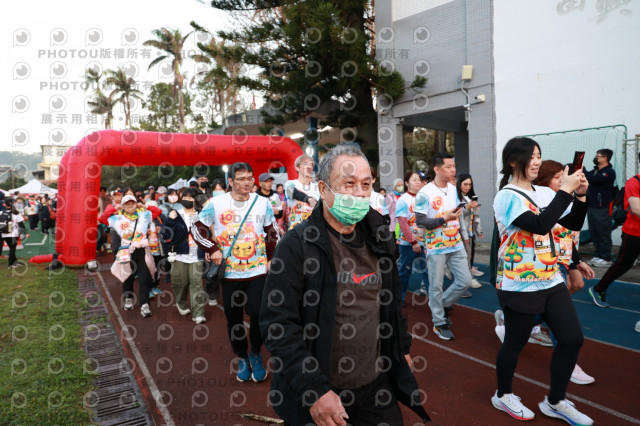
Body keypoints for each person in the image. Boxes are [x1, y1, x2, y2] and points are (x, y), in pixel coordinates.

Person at [260, 144, 430, 425]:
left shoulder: (380, 236)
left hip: (376, 386)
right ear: (323, 189)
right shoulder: (296, 245)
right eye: (349, 184)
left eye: (366, 184)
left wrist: (401, 347)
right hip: (324, 392)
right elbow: (278, 325)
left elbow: (390, 301)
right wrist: (314, 390)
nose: (359, 193)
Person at [491, 137, 593, 424]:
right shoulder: (507, 196)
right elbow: (539, 225)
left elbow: (571, 224)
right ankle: (503, 394)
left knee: (572, 339)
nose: (537, 161)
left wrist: (580, 195)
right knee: (515, 343)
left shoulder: (545, 193)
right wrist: (566, 191)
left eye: (539, 155)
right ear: (513, 161)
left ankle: (556, 401)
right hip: (519, 283)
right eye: (531, 156)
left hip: (550, 278)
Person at [192, 162, 279, 382]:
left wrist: (270, 258)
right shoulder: (217, 203)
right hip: (230, 273)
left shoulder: (262, 202)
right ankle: (241, 356)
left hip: (258, 270)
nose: (247, 183)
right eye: (241, 179)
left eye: (250, 178)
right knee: (234, 318)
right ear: (230, 182)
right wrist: (212, 248)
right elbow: (196, 227)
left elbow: (272, 231)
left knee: (258, 314)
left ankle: (255, 353)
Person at [414, 154, 470, 340]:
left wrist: (461, 230)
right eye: (448, 167)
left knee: (465, 281)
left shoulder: (454, 189)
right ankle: (439, 322)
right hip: (436, 246)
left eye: (454, 166)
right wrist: (444, 219)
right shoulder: (425, 193)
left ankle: (440, 304)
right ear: (436, 169)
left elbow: (457, 214)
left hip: (455, 244)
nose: (453, 170)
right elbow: (421, 221)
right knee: (436, 286)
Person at [589, 162, 640, 309]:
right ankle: (599, 289)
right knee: (623, 264)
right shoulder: (634, 182)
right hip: (634, 233)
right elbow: (636, 209)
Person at [108, 194, 159, 317]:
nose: (130, 207)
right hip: (126, 251)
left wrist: (145, 205)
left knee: (144, 278)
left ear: (136, 204)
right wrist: (115, 208)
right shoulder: (118, 218)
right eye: (127, 205)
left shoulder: (143, 215)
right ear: (123, 206)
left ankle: (145, 304)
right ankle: (128, 298)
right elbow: (102, 218)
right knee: (127, 276)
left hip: (142, 251)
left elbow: (157, 212)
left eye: (133, 204)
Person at [161, 189, 207, 323]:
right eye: (185, 198)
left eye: (191, 198)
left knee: (197, 284)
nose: (187, 200)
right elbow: (165, 234)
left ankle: (198, 313)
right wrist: (170, 220)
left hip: (197, 255)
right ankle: (181, 303)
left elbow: (207, 234)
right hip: (179, 255)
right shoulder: (176, 214)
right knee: (180, 283)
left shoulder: (202, 215)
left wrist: (208, 250)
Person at [395, 170, 430, 306]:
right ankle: (399, 298)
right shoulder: (403, 200)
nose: (417, 182)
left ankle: (435, 301)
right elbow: (403, 223)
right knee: (405, 271)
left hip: (424, 242)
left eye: (419, 180)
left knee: (428, 272)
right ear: (406, 183)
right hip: (407, 244)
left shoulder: (424, 198)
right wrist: (413, 241)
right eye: (414, 179)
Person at [584, 148, 616, 267]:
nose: (596, 158)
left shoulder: (608, 172)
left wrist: (583, 169)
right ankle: (598, 256)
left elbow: (592, 179)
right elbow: (588, 177)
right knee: (594, 232)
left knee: (603, 233)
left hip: (602, 207)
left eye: (598, 156)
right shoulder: (595, 171)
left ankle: (606, 258)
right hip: (592, 206)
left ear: (605, 158)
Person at [456, 174, 484, 288]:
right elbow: (457, 214)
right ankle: (467, 279)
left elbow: (476, 216)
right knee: (465, 256)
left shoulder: (470, 197)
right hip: (461, 232)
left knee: (468, 256)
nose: (468, 187)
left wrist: (479, 230)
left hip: (470, 232)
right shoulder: (457, 198)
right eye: (465, 184)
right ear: (459, 184)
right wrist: (466, 208)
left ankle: (466, 278)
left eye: (469, 184)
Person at [285, 154, 319, 229]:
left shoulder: (317, 187)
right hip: (295, 230)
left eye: (311, 164)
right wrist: (309, 199)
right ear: (297, 167)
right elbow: (293, 193)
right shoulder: (290, 184)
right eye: (305, 163)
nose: (309, 167)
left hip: (313, 229)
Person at [1, 198, 28, 268]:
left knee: (12, 248)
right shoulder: (16, 213)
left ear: (5, 205)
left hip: (4, 233)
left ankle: (15, 261)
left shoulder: (1, 212)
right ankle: (11, 264)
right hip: (13, 234)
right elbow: (21, 224)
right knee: (12, 249)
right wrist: (26, 233)